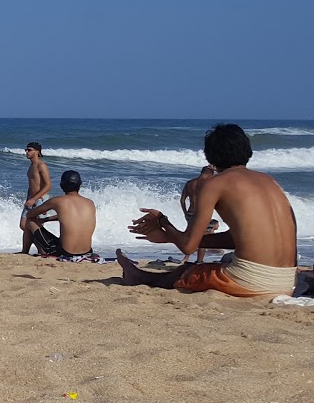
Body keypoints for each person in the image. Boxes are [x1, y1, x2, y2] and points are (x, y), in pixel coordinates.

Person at [120, 124, 298, 299]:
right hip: (287, 281)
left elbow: (188, 246)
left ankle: (138, 277)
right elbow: (235, 239)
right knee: (223, 261)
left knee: (189, 271)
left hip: (252, 281)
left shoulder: (215, 184)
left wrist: (162, 221)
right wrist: (168, 237)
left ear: (210, 155)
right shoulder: (270, 181)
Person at [23, 170, 99, 262]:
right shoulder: (90, 203)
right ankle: (39, 251)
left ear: (61, 185)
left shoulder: (57, 201)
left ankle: (25, 252)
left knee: (30, 220)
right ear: (79, 185)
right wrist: (47, 219)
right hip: (87, 252)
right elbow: (71, 217)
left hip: (65, 253)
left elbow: (30, 214)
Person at [179, 166, 220, 263]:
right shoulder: (208, 184)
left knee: (192, 236)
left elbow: (182, 200)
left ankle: (186, 259)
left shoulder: (190, 183)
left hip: (190, 213)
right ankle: (199, 261)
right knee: (203, 238)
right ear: (210, 174)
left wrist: (185, 213)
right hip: (202, 213)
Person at [19, 143, 51, 254]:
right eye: (26, 149)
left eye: (29, 150)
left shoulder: (41, 165)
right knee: (24, 225)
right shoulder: (31, 166)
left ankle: (42, 251)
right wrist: (29, 198)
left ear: (37, 152)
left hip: (40, 200)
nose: (26, 152)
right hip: (31, 199)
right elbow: (32, 185)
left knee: (36, 227)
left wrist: (34, 199)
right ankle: (27, 251)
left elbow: (48, 185)